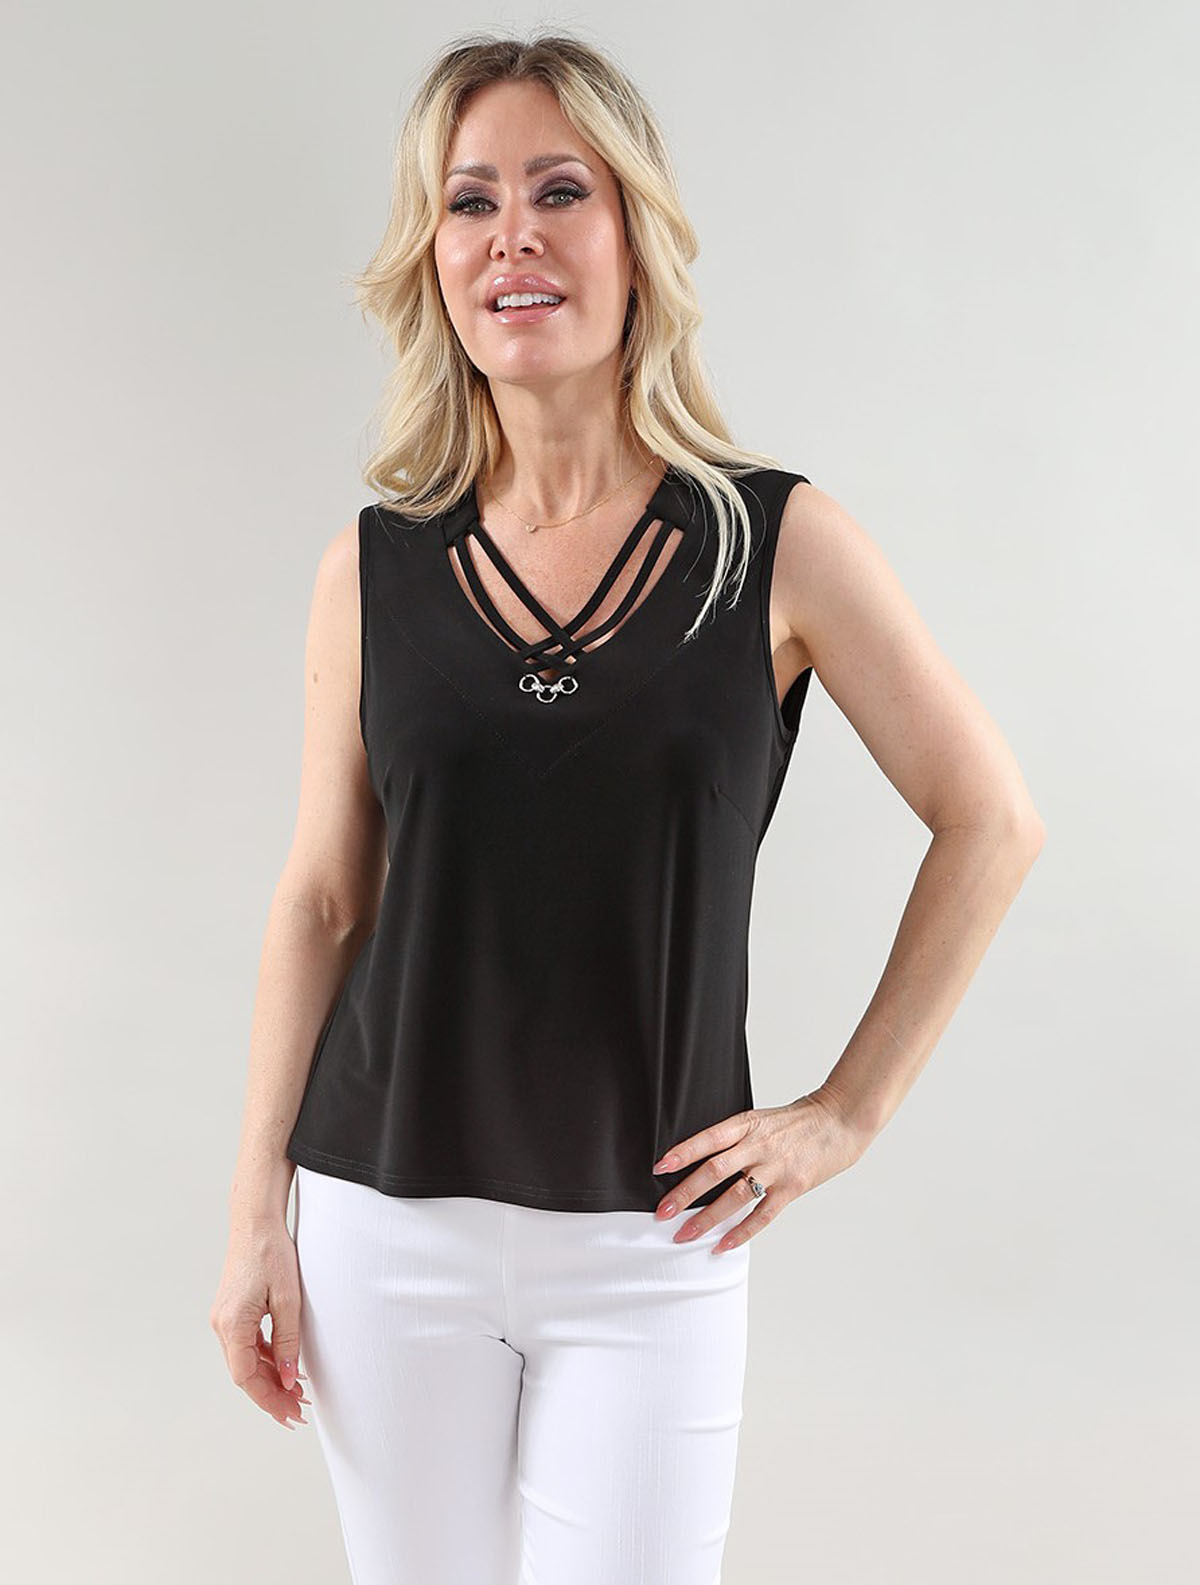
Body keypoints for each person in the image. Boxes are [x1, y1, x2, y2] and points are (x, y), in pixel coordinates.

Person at [210, 30, 1045, 1585]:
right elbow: (324, 898)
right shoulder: (369, 573)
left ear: (635, 239)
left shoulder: (774, 543)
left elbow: (991, 819)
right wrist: (256, 1208)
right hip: (382, 1222)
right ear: (435, 261)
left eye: (559, 191)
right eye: (470, 202)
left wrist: (844, 1115)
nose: (511, 236)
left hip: (653, 1239)